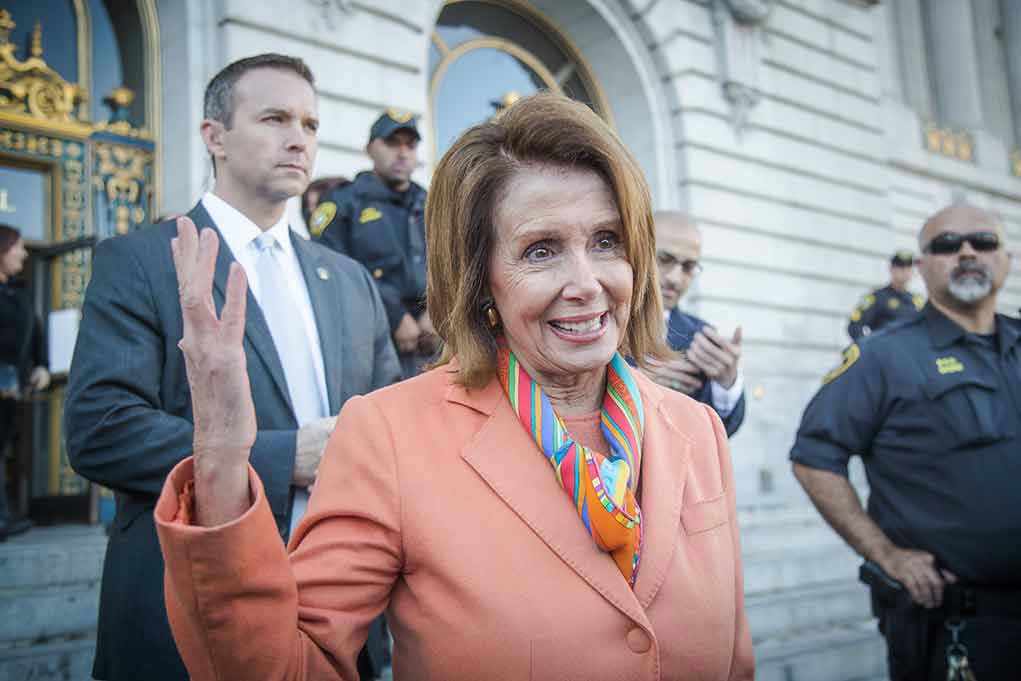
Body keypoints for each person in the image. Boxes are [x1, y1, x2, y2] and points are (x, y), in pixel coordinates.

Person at [153, 92, 753, 681]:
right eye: (541, 250)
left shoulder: (696, 429)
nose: (587, 282)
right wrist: (222, 462)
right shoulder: (389, 435)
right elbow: (285, 668)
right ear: (480, 280)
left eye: (606, 241)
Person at [65, 54, 400, 681]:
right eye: (274, 117)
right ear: (213, 135)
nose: (298, 137)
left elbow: (389, 428)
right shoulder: (141, 260)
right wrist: (283, 457)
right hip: (187, 616)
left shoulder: (351, 282)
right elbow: (100, 429)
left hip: (337, 617)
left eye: (309, 123)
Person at [790, 203, 1021, 680]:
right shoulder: (883, 356)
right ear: (921, 266)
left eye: (983, 242)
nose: (967, 253)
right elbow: (814, 457)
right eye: (947, 245)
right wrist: (887, 555)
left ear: (1007, 258)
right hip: (962, 630)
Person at [313, 110, 437, 378]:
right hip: (369, 344)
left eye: (410, 145)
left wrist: (437, 308)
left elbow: (455, 263)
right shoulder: (341, 204)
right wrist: (394, 315)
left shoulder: (433, 204)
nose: (403, 152)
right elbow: (333, 273)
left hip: (431, 342)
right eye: (393, 143)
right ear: (370, 149)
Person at [643, 212, 745, 436]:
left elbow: (720, 432)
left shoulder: (702, 336)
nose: (675, 279)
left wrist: (726, 383)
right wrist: (636, 383)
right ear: (638, 251)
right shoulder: (599, 321)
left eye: (688, 267)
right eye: (664, 259)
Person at [0, 225, 49, 541]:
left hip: (11, 391)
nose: (24, 253)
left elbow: (36, 333)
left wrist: (42, 365)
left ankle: (4, 516)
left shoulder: (19, 292)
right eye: (18, 246)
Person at [847, 250, 925, 341]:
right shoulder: (877, 297)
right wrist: (870, 349)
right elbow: (854, 326)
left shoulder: (918, 301)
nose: (905, 272)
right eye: (900, 267)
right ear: (891, 269)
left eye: (908, 268)